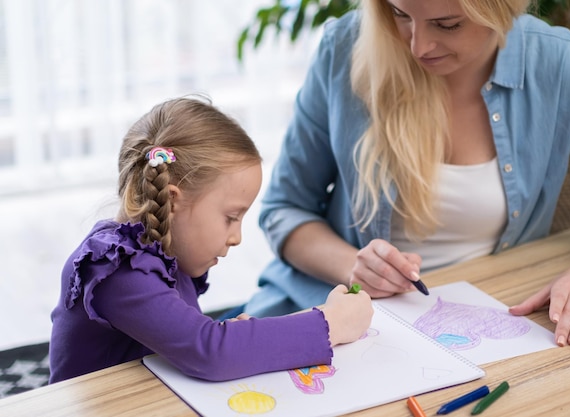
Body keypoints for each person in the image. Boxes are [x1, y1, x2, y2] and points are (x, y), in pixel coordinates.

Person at [242, 0, 570, 350]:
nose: (418, 47)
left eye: (447, 24)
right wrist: (354, 266)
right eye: (400, 14)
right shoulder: (345, 47)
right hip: (322, 310)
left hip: (478, 326)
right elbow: (284, 209)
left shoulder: (566, 69)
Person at [48, 95, 373, 384]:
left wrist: (241, 336)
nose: (238, 237)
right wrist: (331, 323)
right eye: (232, 217)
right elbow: (209, 351)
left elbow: (187, 338)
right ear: (173, 201)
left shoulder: (161, 248)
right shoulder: (116, 270)